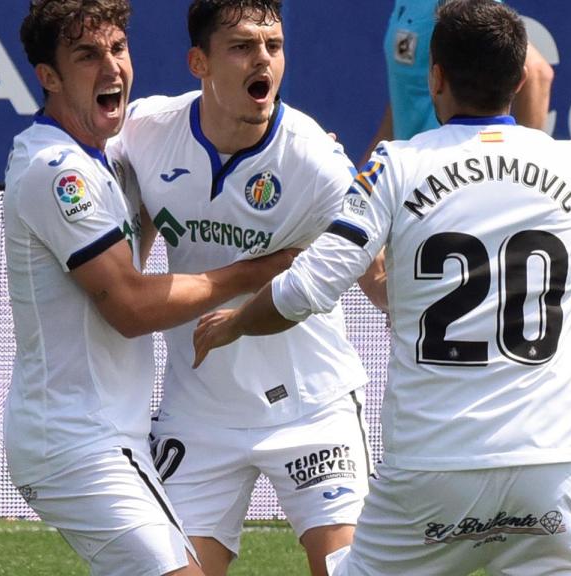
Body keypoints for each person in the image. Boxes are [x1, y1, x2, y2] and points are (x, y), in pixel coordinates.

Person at [192, 0, 571, 574]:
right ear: (518, 77)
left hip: (432, 468)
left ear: (435, 77)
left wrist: (233, 323)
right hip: (550, 467)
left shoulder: (394, 166)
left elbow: (307, 287)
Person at [2, 2, 294, 574]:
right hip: (76, 441)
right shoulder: (58, 172)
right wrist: (263, 267)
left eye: (118, 49)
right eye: (87, 56)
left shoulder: (107, 154)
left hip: (110, 433)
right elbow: (131, 307)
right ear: (49, 77)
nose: (111, 68)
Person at [107, 1, 375, 575]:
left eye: (273, 46)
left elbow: (377, 271)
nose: (264, 60)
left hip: (312, 409)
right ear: (198, 61)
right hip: (198, 409)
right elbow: (126, 228)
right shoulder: (146, 132)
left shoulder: (314, 159)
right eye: (242, 46)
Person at [362, 0, 554, 165]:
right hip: (410, 183)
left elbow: (537, 73)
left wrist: (520, 175)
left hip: (452, 186)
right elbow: (406, 94)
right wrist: (362, 178)